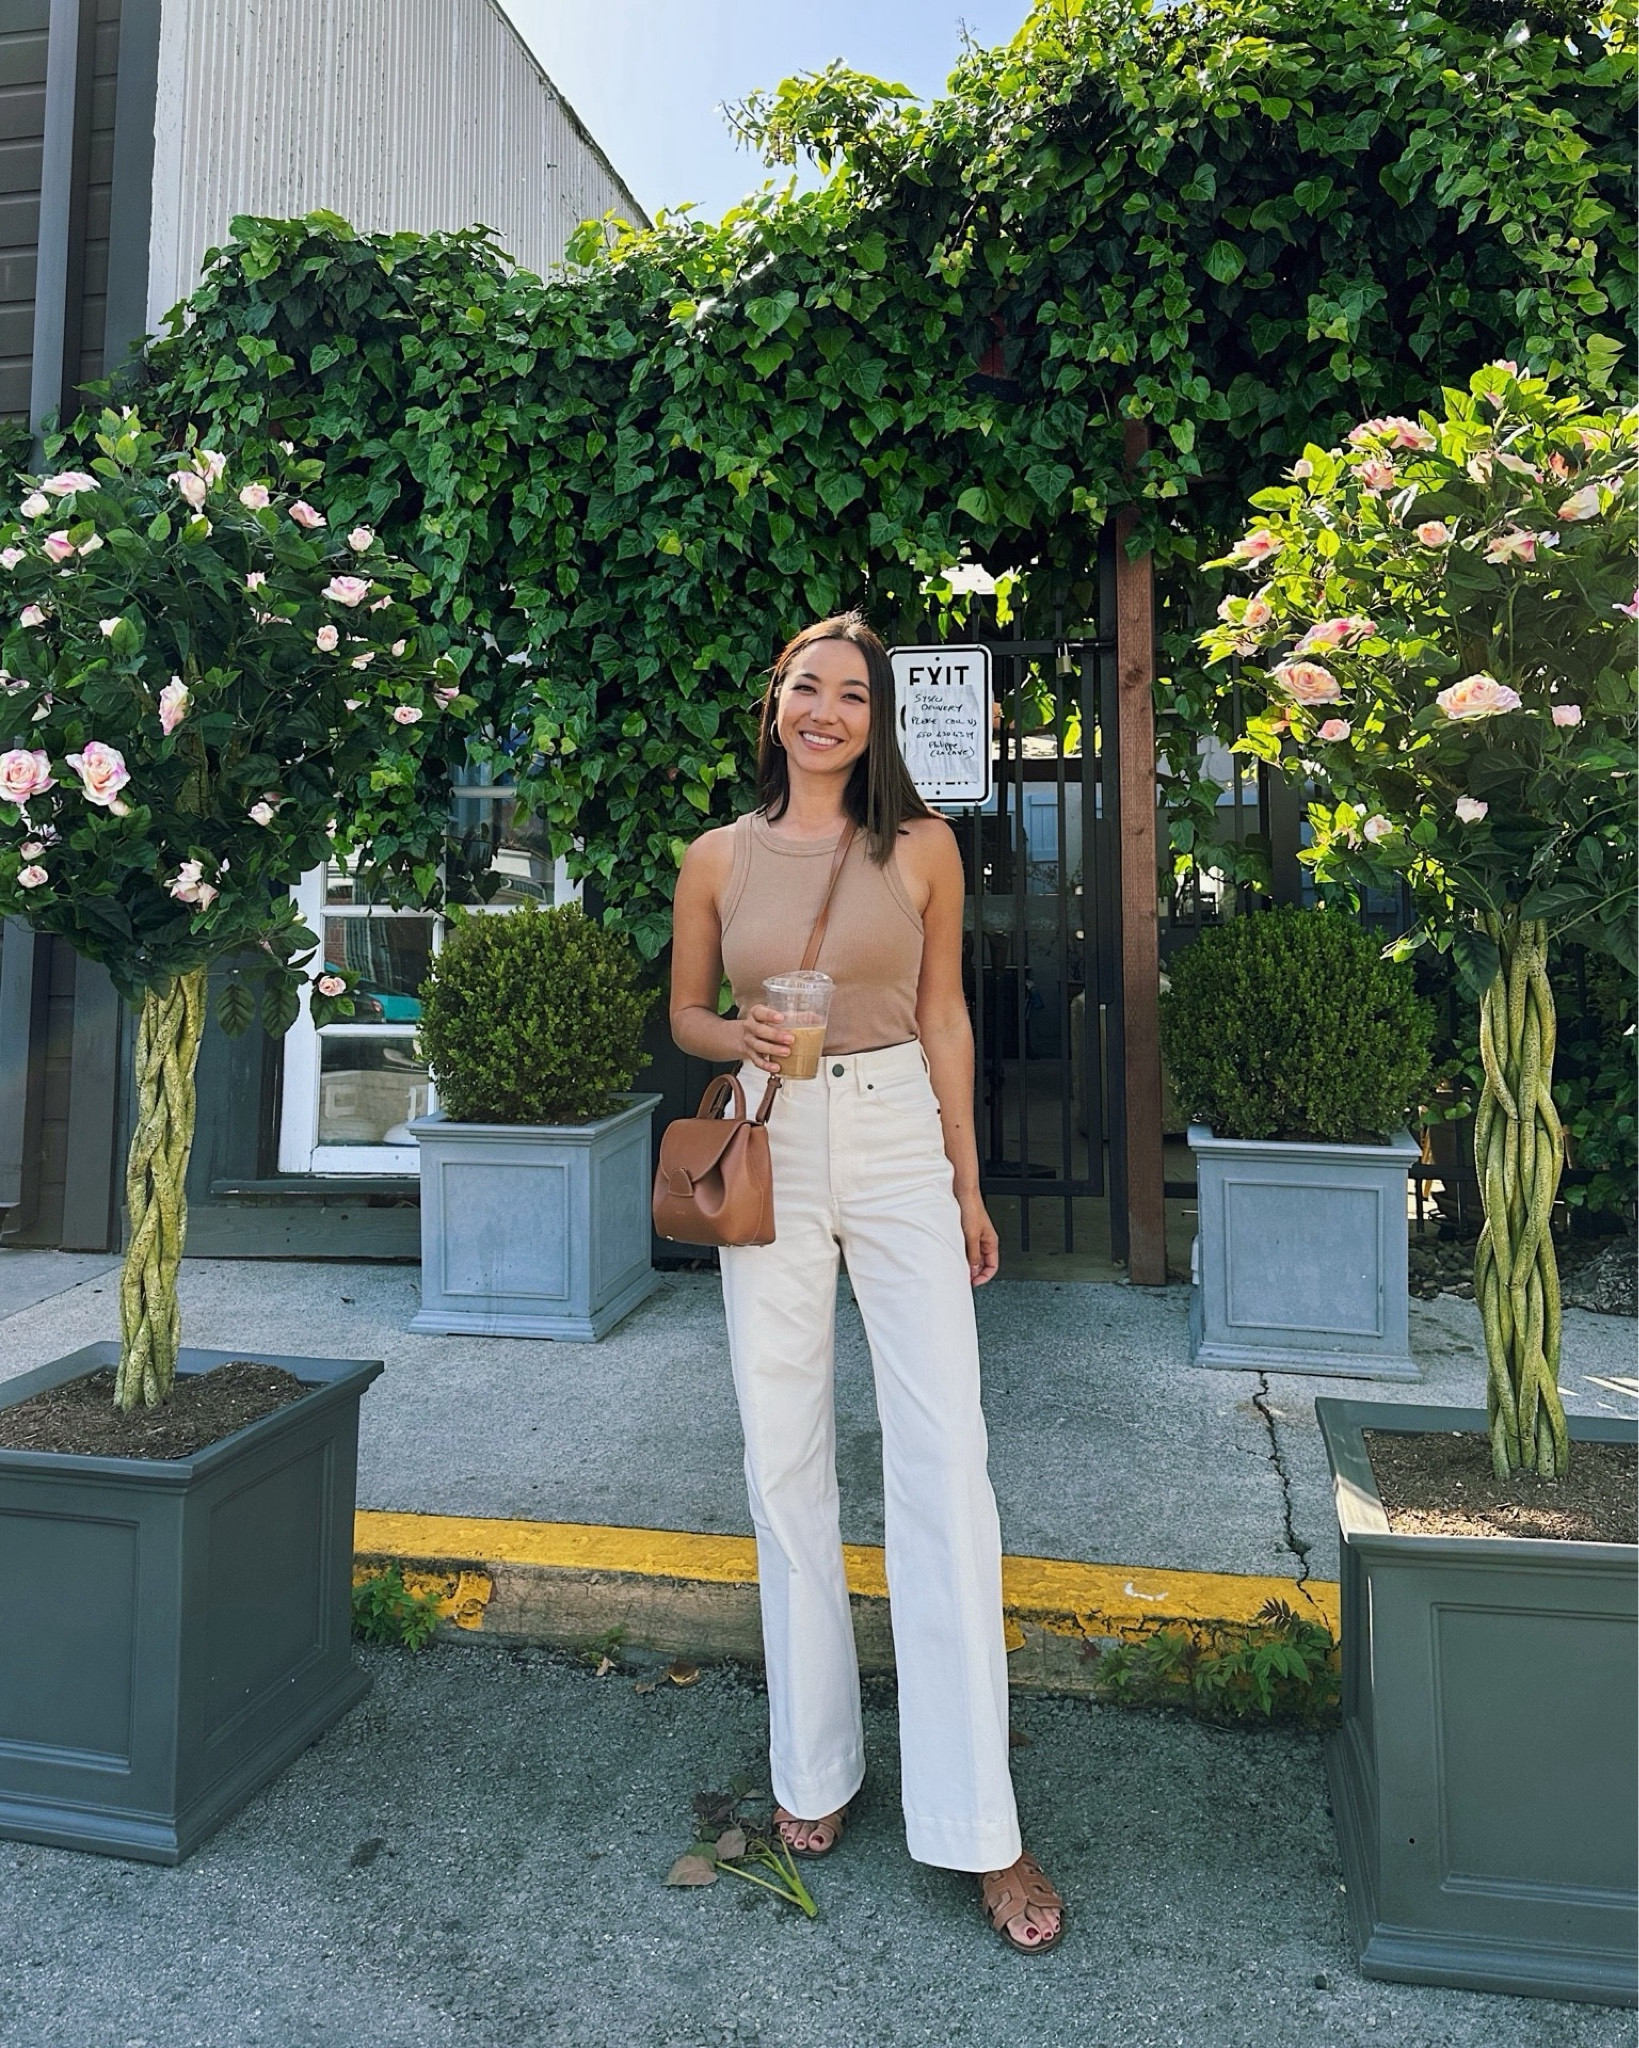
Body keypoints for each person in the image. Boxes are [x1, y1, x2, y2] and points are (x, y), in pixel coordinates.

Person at [668, 612, 1064, 1953]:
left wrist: (965, 1179)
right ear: (774, 702)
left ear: (878, 720)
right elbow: (685, 1017)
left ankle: (980, 1825)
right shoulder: (717, 856)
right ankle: (813, 1767)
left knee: (945, 1455)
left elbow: (945, 1015)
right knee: (783, 1456)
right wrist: (744, 1030)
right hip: (772, 1131)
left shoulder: (924, 849)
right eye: (805, 688)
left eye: (851, 695)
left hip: (897, 1135)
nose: (824, 711)